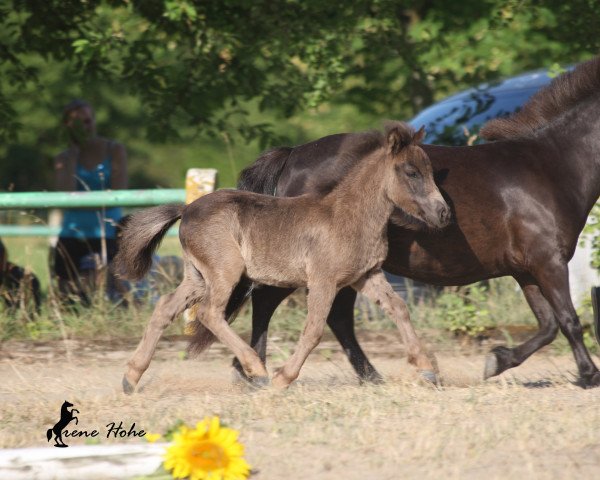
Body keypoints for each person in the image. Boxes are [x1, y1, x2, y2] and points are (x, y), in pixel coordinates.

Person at [52, 99, 128, 305]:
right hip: (72, 231)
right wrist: (73, 157)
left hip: (108, 230)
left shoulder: (114, 150)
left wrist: (81, 202)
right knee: (64, 289)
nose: (85, 127)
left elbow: (118, 192)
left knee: (116, 289)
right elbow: (64, 196)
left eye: (88, 121)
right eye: (78, 123)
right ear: (68, 125)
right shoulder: (63, 158)